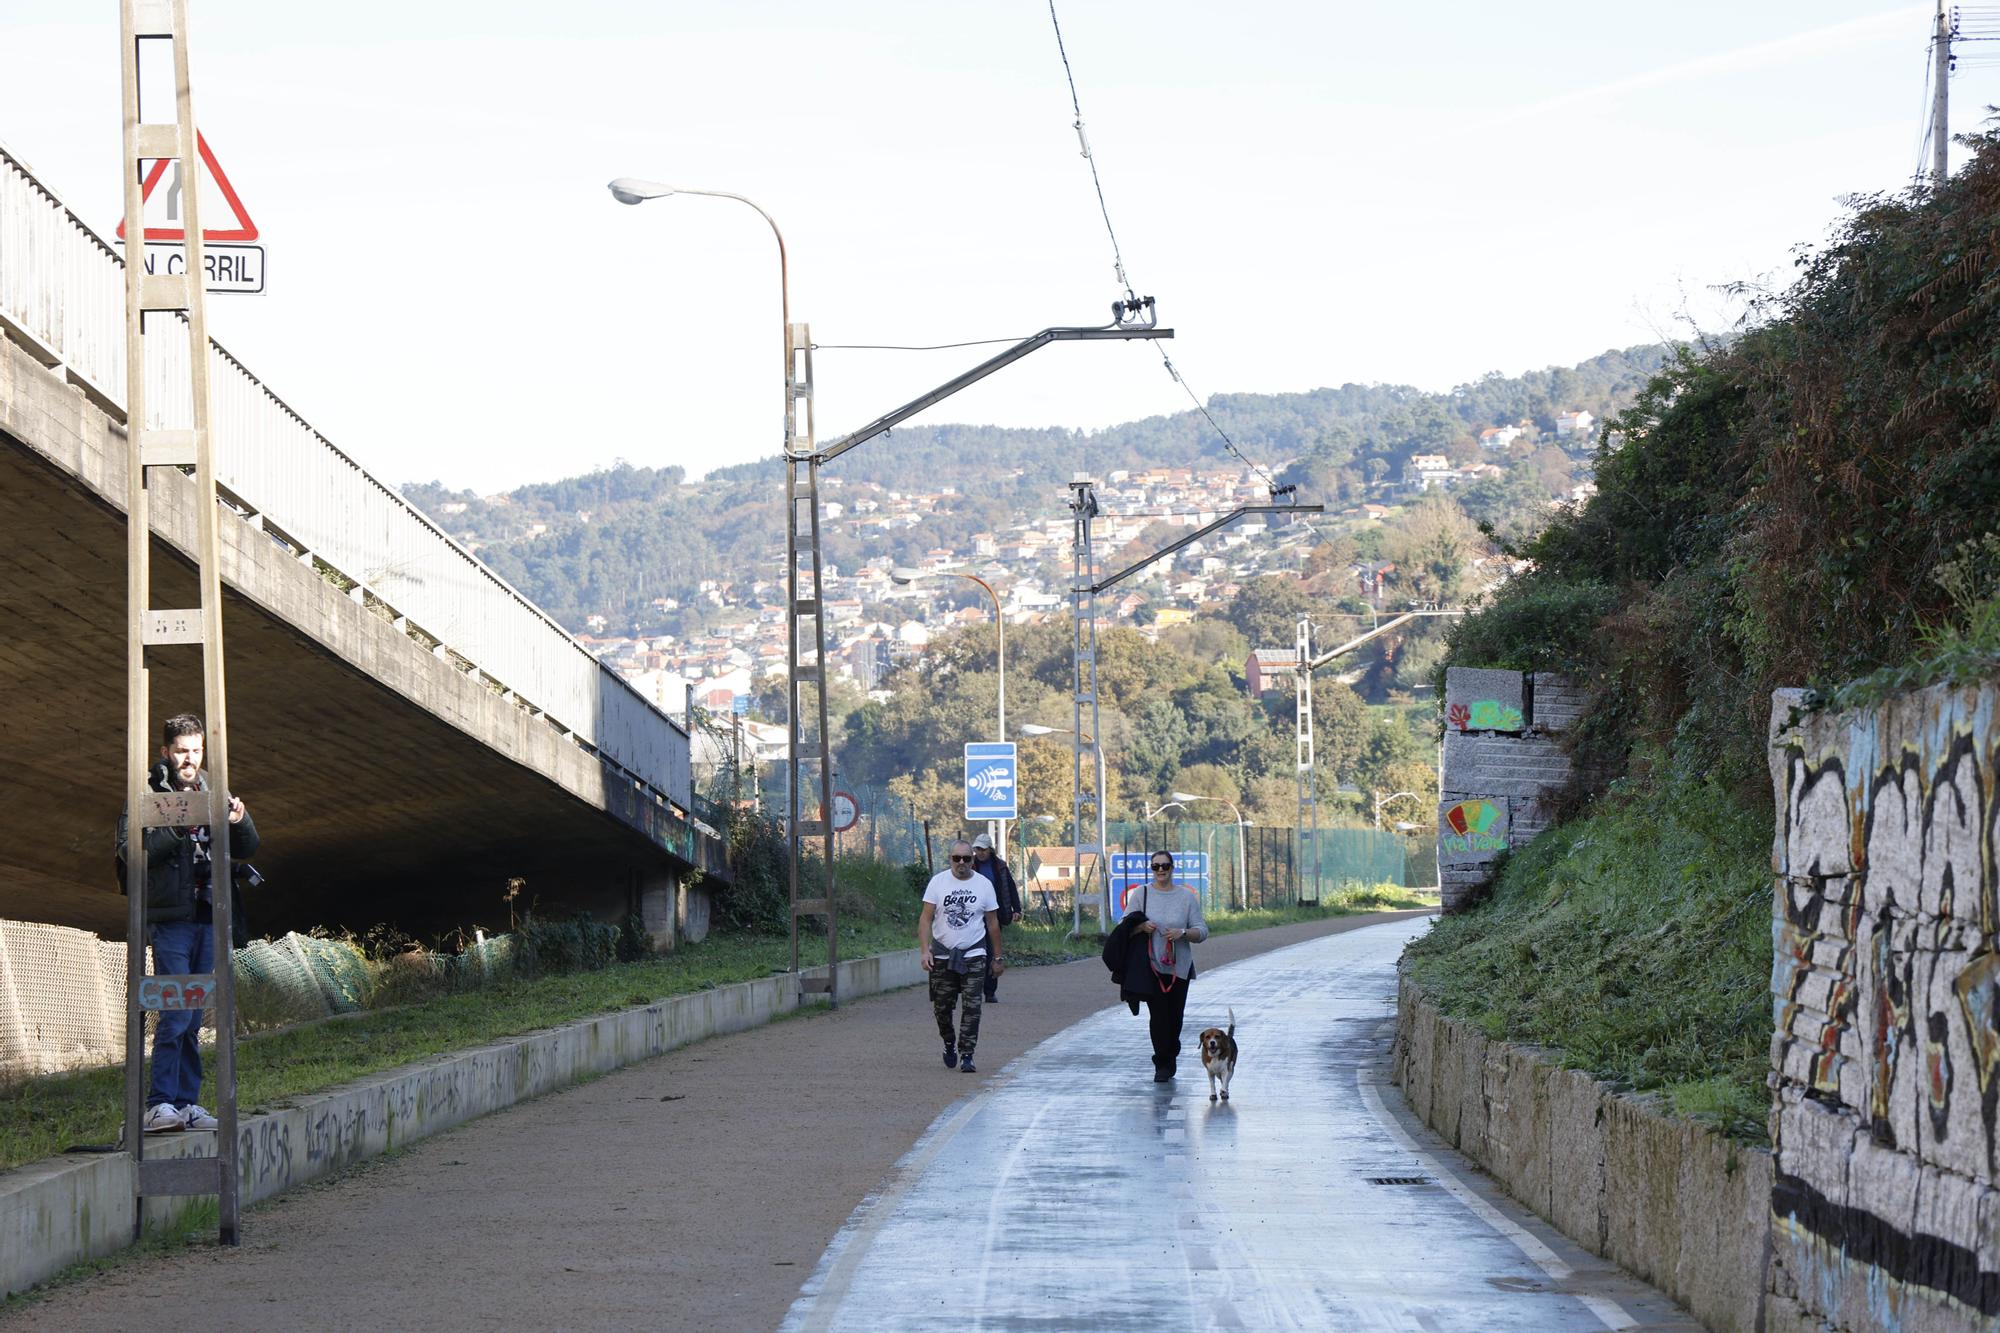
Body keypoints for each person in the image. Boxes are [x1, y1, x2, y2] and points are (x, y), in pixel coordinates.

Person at [115, 713, 259, 1133]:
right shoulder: (146, 792)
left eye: (196, 751)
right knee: (175, 1010)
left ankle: (185, 1104)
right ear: (166, 752)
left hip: (210, 916)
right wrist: (179, 824)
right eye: (182, 751)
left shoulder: (213, 788)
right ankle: (158, 1103)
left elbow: (248, 846)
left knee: (195, 1015)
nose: (190, 760)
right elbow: (130, 851)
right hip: (172, 920)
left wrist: (238, 820)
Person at [1120, 850, 1207, 1083]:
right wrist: (1141, 927)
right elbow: (1124, 926)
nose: (1160, 870)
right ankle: (1162, 1064)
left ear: (1172, 868)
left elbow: (1202, 931)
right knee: (1158, 1016)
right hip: (1151, 966)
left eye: (1165, 866)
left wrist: (1183, 933)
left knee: (1175, 1016)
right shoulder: (1142, 894)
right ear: (1151, 869)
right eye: (1156, 866)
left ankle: (1171, 1050)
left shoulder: (1186, 898)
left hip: (1179, 968)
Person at [917, 840, 1002, 1074]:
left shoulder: (984, 885)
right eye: (957, 858)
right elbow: (925, 919)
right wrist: (925, 950)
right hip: (943, 954)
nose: (961, 863)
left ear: (973, 860)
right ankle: (948, 1041)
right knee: (942, 1008)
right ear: (950, 859)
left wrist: (997, 957)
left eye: (966, 858)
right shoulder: (938, 883)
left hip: (974, 953)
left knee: (972, 1006)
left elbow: (992, 923)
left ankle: (967, 1054)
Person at [968, 832, 1021, 1002]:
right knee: (974, 952)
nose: (980, 853)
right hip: (973, 915)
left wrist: (1016, 909)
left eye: (983, 849)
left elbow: (1010, 888)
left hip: (995, 915)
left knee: (992, 953)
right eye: (977, 849)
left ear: (990, 850)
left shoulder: (1000, 867)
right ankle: (972, 989)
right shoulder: (969, 865)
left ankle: (990, 991)